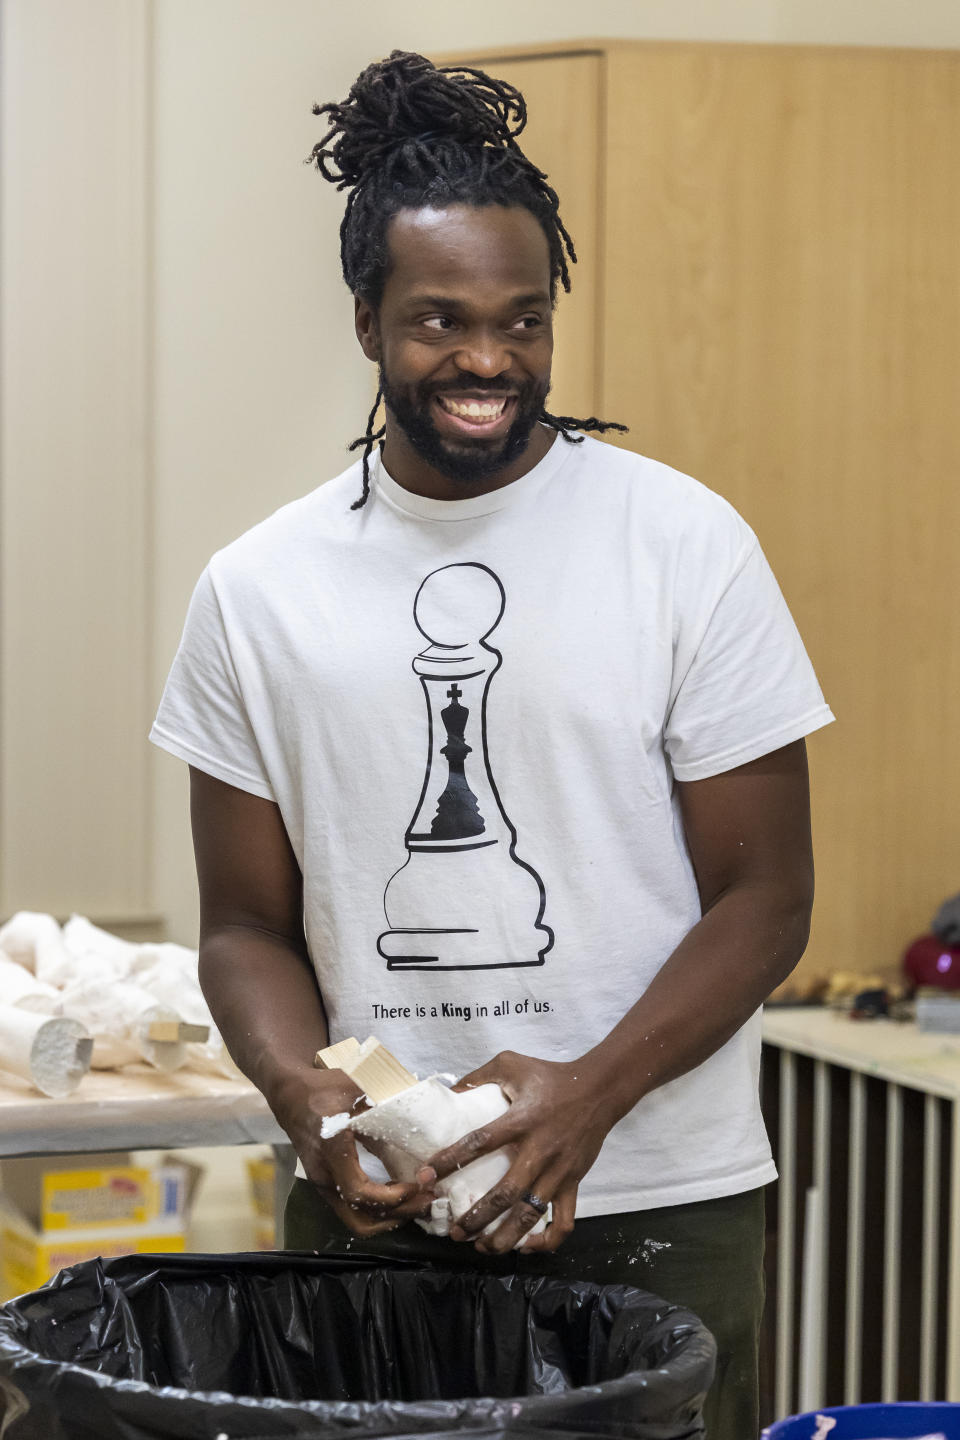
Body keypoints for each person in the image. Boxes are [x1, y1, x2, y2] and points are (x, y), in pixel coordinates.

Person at [150, 50, 834, 1439]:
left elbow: (767, 900)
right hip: (379, 1205)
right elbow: (243, 927)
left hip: (658, 1199)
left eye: (524, 322)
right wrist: (304, 1099)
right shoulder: (258, 589)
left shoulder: (683, 546)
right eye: (439, 320)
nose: (487, 361)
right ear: (366, 323)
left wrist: (587, 1096)